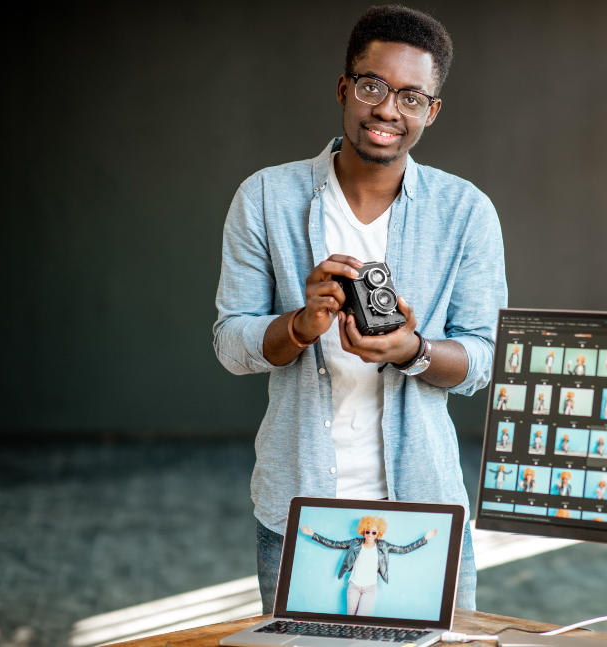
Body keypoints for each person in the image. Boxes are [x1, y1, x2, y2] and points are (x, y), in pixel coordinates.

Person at [212, 5, 507, 614]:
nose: (387, 110)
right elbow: (230, 342)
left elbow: (485, 358)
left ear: (431, 111)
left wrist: (415, 351)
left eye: (411, 97)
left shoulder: (466, 212)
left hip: (425, 507)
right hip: (298, 506)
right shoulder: (266, 197)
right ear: (345, 87)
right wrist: (298, 326)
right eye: (373, 86)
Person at [300, 516, 436, 615]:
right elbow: (334, 544)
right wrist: (313, 534)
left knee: (361, 620)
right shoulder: (355, 543)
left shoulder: (383, 546)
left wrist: (424, 539)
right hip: (353, 585)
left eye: (374, 532)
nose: (370, 535)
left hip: (370, 588)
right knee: (350, 620)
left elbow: (403, 549)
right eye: (367, 531)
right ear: (363, 531)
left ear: (378, 533)